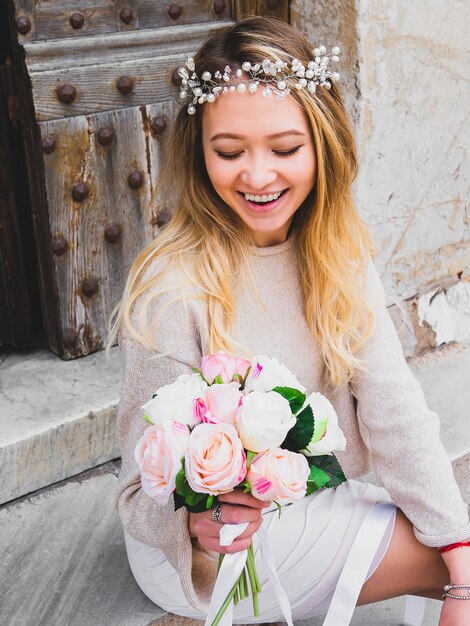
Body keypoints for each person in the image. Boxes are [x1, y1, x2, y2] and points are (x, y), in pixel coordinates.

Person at [109, 16, 470, 625]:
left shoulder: (338, 256)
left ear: (322, 145)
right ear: (200, 154)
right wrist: (200, 518)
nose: (257, 176)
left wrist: (458, 560)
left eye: (284, 149)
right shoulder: (172, 288)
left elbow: (395, 409)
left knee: (453, 538)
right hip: (203, 560)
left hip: (317, 505)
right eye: (229, 152)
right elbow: (137, 495)